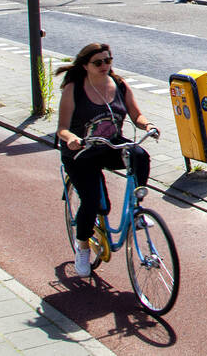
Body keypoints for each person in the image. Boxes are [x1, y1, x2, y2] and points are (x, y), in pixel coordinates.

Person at [55, 43, 157, 277]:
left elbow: (136, 114)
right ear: (85, 66)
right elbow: (62, 128)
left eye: (108, 61)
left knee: (139, 156)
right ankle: (82, 248)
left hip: (110, 145)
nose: (105, 66)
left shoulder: (119, 85)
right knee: (95, 204)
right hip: (80, 153)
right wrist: (71, 138)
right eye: (98, 62)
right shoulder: (74, 89)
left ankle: (136, 211)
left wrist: (148, 125)